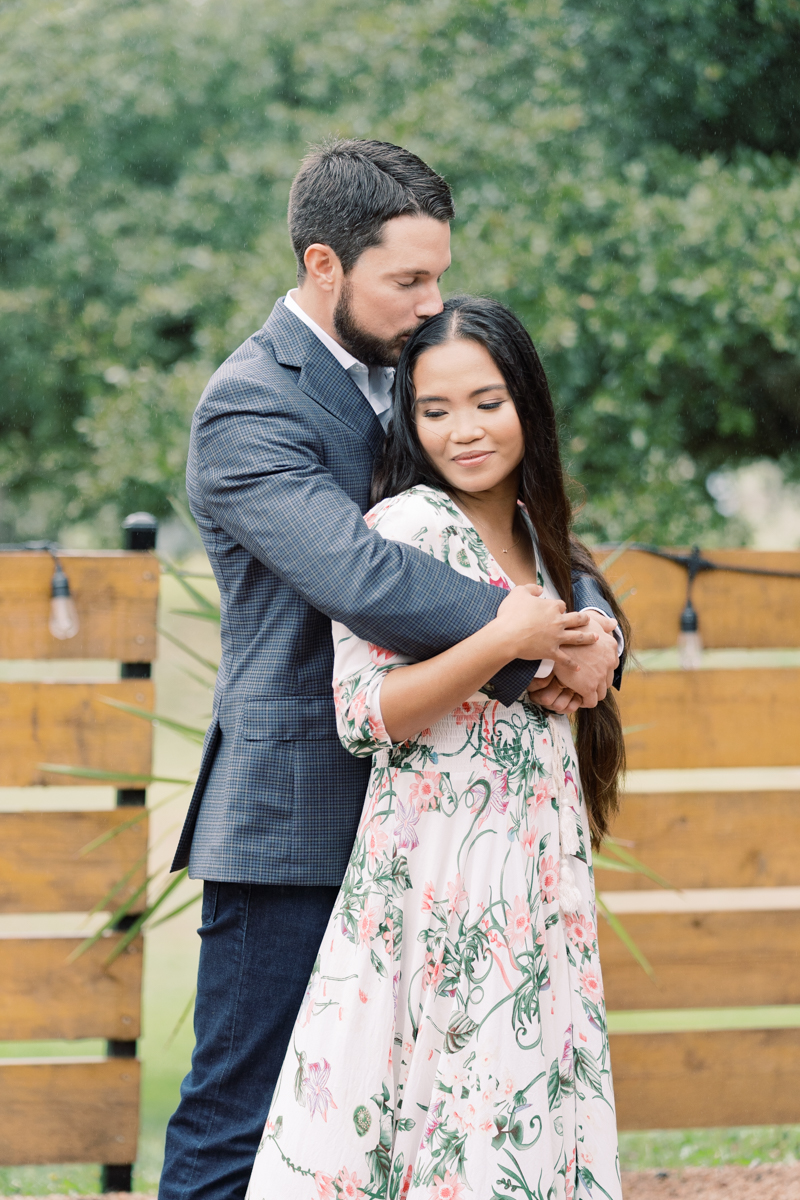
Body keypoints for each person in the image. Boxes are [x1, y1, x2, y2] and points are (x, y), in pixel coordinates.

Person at [160, 141, 622, 1200]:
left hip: (445, 837)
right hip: (298, 821)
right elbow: (364, 573)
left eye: (438, 275)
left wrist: (596, 635)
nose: (430, 304)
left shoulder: (414, 380)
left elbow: (521, 533)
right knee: (245, 1122)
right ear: (324, 264)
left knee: (400, 1137)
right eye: (406, 281)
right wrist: (533, 645)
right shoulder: (248, 405)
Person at [246, 296, 629, 1200]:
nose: (465, 431)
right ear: (409, 422)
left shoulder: (543, 540)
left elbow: (575, 634)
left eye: (488, 402)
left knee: (525, 1105)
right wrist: (503, 640)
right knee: (447, 1115)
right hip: (443, 872)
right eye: (435, 409)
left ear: (528, 404)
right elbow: (365, 713)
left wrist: (598, 645)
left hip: (534, 871)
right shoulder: (409, 528)